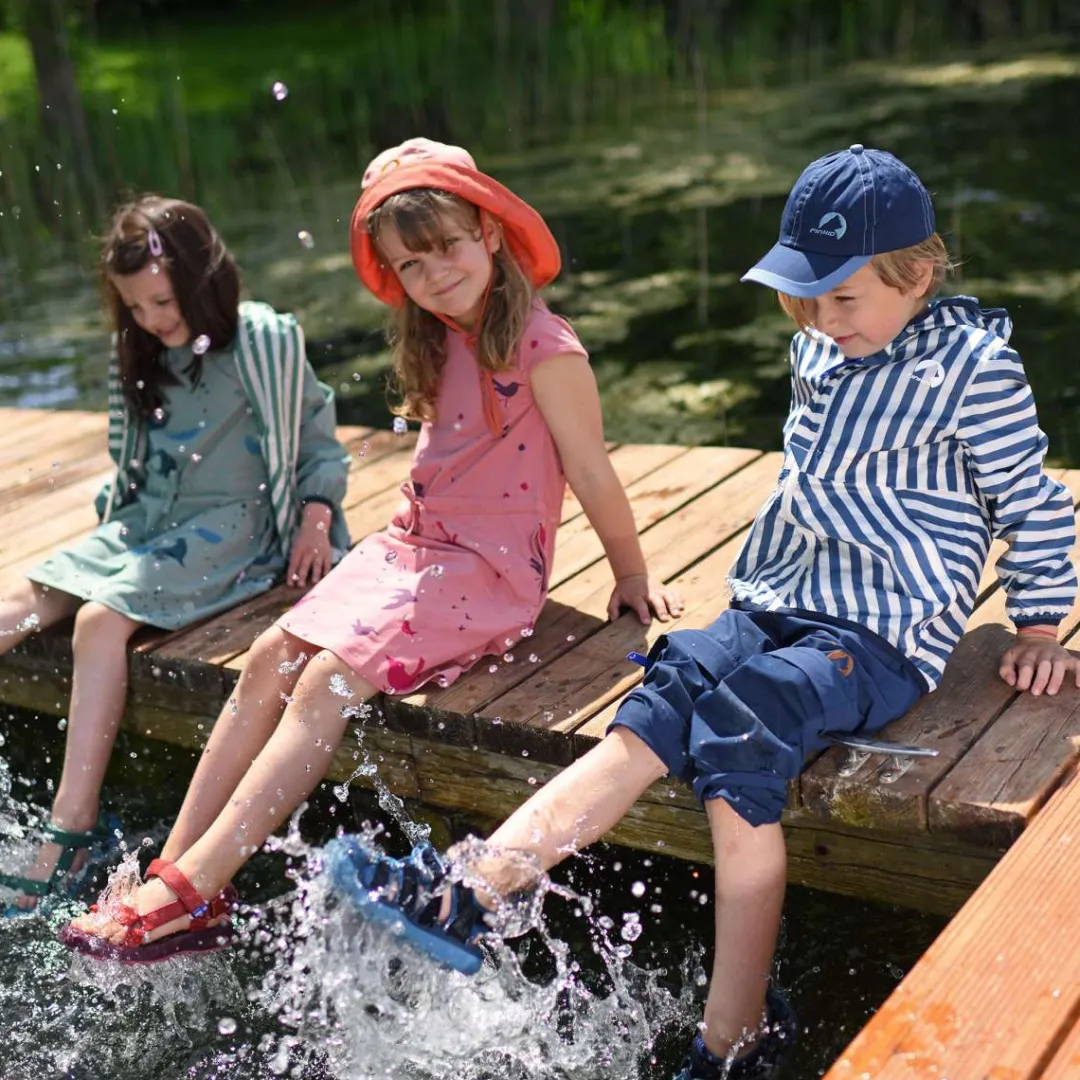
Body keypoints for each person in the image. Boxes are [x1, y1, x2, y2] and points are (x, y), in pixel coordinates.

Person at [317, 146, 1079, 1079]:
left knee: (741, 732)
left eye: (843, 298)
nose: (820, 319)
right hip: (776, 596)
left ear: (915, 276)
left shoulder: (974, 368)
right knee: (660, 696)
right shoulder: (818, 347)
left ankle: (734, 1040)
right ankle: (472, 891)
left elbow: (1032, 502)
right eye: (806, 297)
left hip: (879, 631)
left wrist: (1041, 623)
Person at [61, 138, 682, 963]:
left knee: (324, 682)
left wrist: (631, 573)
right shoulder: (439, 336)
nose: (434, 275)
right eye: (411, 266)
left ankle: (197, 888)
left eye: (448, 249)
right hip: (412, 546)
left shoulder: (544, 348)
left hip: (485, 572)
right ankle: (176, 871)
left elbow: (594, 471)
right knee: (269, 655)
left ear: (490, 236)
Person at [0, 195, 351, 911]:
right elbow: (131, 470)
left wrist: (316, 517)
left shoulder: (264, 341)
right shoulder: (140, 355)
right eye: (135, 307)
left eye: (162, 301)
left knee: (100, 621)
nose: (152, 320)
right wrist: (102, 543)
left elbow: (317, 437)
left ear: (198, 278)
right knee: (21, 600)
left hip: (239, 525)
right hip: (148, 518)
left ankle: (70, 824)